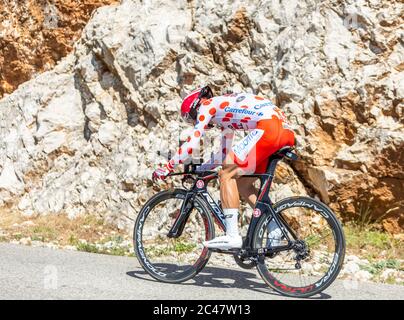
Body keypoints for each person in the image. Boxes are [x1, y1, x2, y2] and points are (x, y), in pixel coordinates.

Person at [152, 85, 295, 250]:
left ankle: (232, 235)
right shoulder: (225, 112)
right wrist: (200, 170)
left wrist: (168, 167)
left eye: (193, 120)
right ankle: (273, 226)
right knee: (243, 184)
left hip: (270, 128)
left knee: (226, 174)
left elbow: (192, 142)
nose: (199, 124)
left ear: (195, 108)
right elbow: (223, 154)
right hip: (285, 132)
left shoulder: (207, 106)